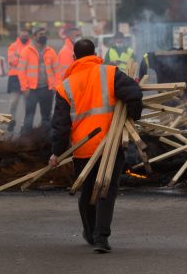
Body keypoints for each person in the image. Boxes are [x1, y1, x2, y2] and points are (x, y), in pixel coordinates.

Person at [49, 38, 142, 253]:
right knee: (106, 191)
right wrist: (131, 118)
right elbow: (134, 94)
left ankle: (90, 233)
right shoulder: (110, 73)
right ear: (95, 53)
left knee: (88, 190)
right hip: (111, 143)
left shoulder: (65, 86)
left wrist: (57, 153)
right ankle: (102, 238)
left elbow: (60, 126)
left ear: (74, 57)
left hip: (83, 148)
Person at [17, 26, 60, 135]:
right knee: (29, 117)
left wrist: (56, 86)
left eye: (45, 34)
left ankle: (46, 140)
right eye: (41, 34)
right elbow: (21, 71)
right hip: (32, 90)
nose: (43, 36)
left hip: (47, 89)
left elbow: (57, 71)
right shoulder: (26, 51)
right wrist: (25, 88)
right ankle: (25, 140)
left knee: (46, 117)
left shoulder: (51, 51)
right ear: (34, 36)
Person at [6, 29, 30, 133]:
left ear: (28, 35)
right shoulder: (13, 46)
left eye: (26, 34)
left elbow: (33, 62)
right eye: (22, 34)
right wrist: (25, 59)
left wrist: (19, 57)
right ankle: (11, 121)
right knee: (13, 103)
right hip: (15, 78)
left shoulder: (32, 46)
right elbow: (12, 61)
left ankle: (24, 125)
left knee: (27, 104)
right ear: (19, 34)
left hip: (28, 78)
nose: (24, 35)